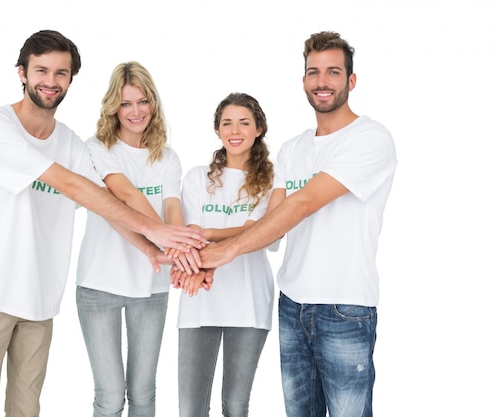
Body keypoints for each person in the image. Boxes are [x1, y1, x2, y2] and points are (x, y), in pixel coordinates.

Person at [0, 32, 204, 417]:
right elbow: (72, 185)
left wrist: (154, 250)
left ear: (71, 80)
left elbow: (107, 204)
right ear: (22, 72)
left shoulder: (69, 142)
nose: (50, 81)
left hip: (39, 300)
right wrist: (157, 232)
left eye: (61, 73)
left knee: (26, 409)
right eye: (41, 70)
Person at [193, 31, 398, 417]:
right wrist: (207, 251)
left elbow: (302, 204)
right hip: (292, 305)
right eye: (314, 72)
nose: (322, 81)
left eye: (333, 72)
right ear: (304, 81)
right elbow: (274, 221)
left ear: (350, 81)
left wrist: (222, 252)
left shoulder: (371, 138)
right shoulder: (293, 149)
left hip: (345, 305)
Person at [74, 61, 192, 417]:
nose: (135, 111)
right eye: (126, 104)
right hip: (99, 285)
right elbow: (125, 196)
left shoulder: (168, 158)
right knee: (109, 396)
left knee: (143, 394)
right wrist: (168, 242)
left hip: (151, 289)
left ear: (153, 104)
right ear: (113, 107)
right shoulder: (96, 148)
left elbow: (173, 209)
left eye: (142, 101)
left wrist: (175, 245)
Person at [171, 92, 278, 417]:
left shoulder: (272, 181)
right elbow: (190, 234)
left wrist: (211, 234)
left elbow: (261, 234)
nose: (235, 130)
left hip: (249, 303)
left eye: (244, 122)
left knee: (235, 405)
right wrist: (205, 243)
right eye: (227, 123)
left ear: (258, 128)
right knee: (191, 408)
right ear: (217, 130)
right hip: (198, 297)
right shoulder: (197, 177)